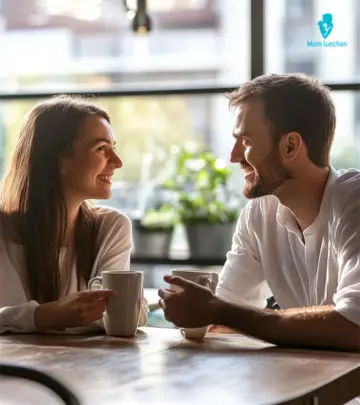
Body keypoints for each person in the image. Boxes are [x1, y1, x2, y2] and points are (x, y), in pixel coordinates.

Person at [159, 73, 360, 352]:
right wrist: (209, 312)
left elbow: (354, 326)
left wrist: (219, 311)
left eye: (246, 141)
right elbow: (223, 315)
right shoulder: (259, 213)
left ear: (290, 146)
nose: (233, 156)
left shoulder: (354, 202)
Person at [0, 95, 148, 333]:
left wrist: (17, 319)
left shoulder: (110, 226)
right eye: (101, 148)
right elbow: (113, 311)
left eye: (114, 148)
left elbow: (125, 312)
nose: (117, 162)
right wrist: (42, 316)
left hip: (83, 368)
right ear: (58, 160)